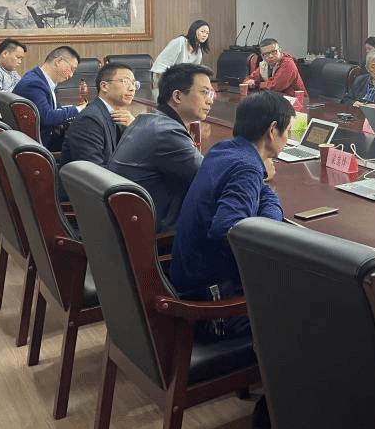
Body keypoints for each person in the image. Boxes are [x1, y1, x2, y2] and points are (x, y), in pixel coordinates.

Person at [170, 90, 290, 312]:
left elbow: (262, 190)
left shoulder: (222, 149)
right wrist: (273, 216)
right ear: (273, 130)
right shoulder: (246, 167)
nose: (288, 138)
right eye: (288, 131)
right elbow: (227, 231)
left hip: (187, 280)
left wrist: (263, 185)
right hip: (210, 300)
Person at [108, 64, 214, 233]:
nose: (210, 100)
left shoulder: (148, 120)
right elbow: (212, 179)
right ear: (177, 96)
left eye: (210, 93)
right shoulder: (167, 133)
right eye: (204, 92)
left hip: (126, 226)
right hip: (154, 235)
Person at [59, 62, 138, 167]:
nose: (132, 88)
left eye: (133, 83)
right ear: (104, 86)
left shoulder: (118, 115)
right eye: (125, 81)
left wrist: (134, 127)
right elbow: (93, 170)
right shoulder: (89, 120)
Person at [13, 46, 87, 150]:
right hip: (40, 145)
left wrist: (77, 109)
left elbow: (54, 109)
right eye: (71, 69)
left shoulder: (38, 78)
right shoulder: (34, 84)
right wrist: (79, 110)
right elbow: (47, 117)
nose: (71, 75)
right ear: (59, 61)